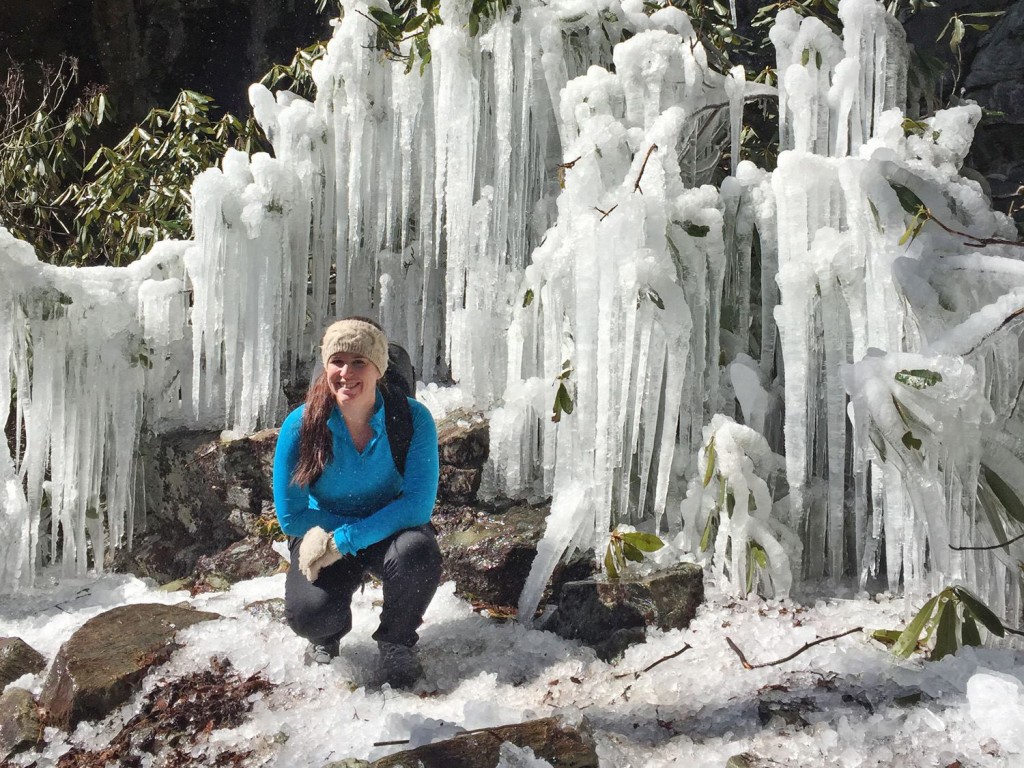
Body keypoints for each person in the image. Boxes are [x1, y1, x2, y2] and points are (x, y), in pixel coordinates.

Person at [272, 317, 441, 688]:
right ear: (326, 366)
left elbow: (416, 507)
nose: (346, 372)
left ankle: (397, 641)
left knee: (418, 553)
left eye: (359, 362)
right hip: (322, 531)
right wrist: (329, 539)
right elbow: (291, 514)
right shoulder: (301, 425)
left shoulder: (413, 419)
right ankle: (325, 638)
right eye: (337, 361)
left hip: (390, 528)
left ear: (378, 368)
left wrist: (347, 540)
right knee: (309, 613)